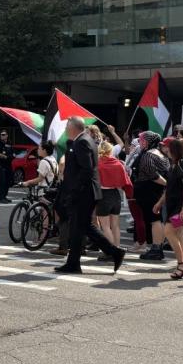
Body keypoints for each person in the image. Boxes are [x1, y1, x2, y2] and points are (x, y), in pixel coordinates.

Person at [53, 116, 126, 274]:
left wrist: (74, 192)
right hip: (85, 192)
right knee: (81, 227)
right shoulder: (83, 140)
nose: (65, 129)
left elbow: (86, 169)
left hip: (83, 193)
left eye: (67, 126)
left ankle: (112, 253)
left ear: (74, 128)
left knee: (79, 226)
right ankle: (76, 262)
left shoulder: (83, 142)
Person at [155, 137, 183, 280]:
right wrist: (160, 203)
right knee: (178, 234)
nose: (164, 149)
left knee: (169, 231)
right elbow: (169, 188)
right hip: (174, 205)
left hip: (182, 206)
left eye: (166, 147)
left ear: (173, 149)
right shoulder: (174, 164)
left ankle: (182, 264)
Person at [131, 132, 169, 261]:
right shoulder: (160, 154)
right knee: (156, 219)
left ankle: (156, 249)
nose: (140, 142)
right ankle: (157, 248)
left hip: (150, 191)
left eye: (142, 140)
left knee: (155, 220)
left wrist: (167, 184)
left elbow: (153, 174)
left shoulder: (149, 154)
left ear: (148, 141)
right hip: (153, 191)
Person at [94, 139, 133, 258]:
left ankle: (112, 252)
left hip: (103, 195)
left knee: (105, 226)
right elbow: (126, 182)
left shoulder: (98, 163)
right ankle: (117, 248)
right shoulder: (118, 163)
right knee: (115, 225)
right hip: (116, 195)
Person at [0, 129, 15, 203]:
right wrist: (5, 157)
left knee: (8, 181)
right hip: (1, 165)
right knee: (2, 182)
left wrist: (10, 156)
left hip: (8, 165)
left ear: (7, 135)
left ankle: (5, 196)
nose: (2, 136)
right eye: (1, 135)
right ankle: (1, 197)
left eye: (3, 135)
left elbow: (13, 153)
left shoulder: (9, 143)